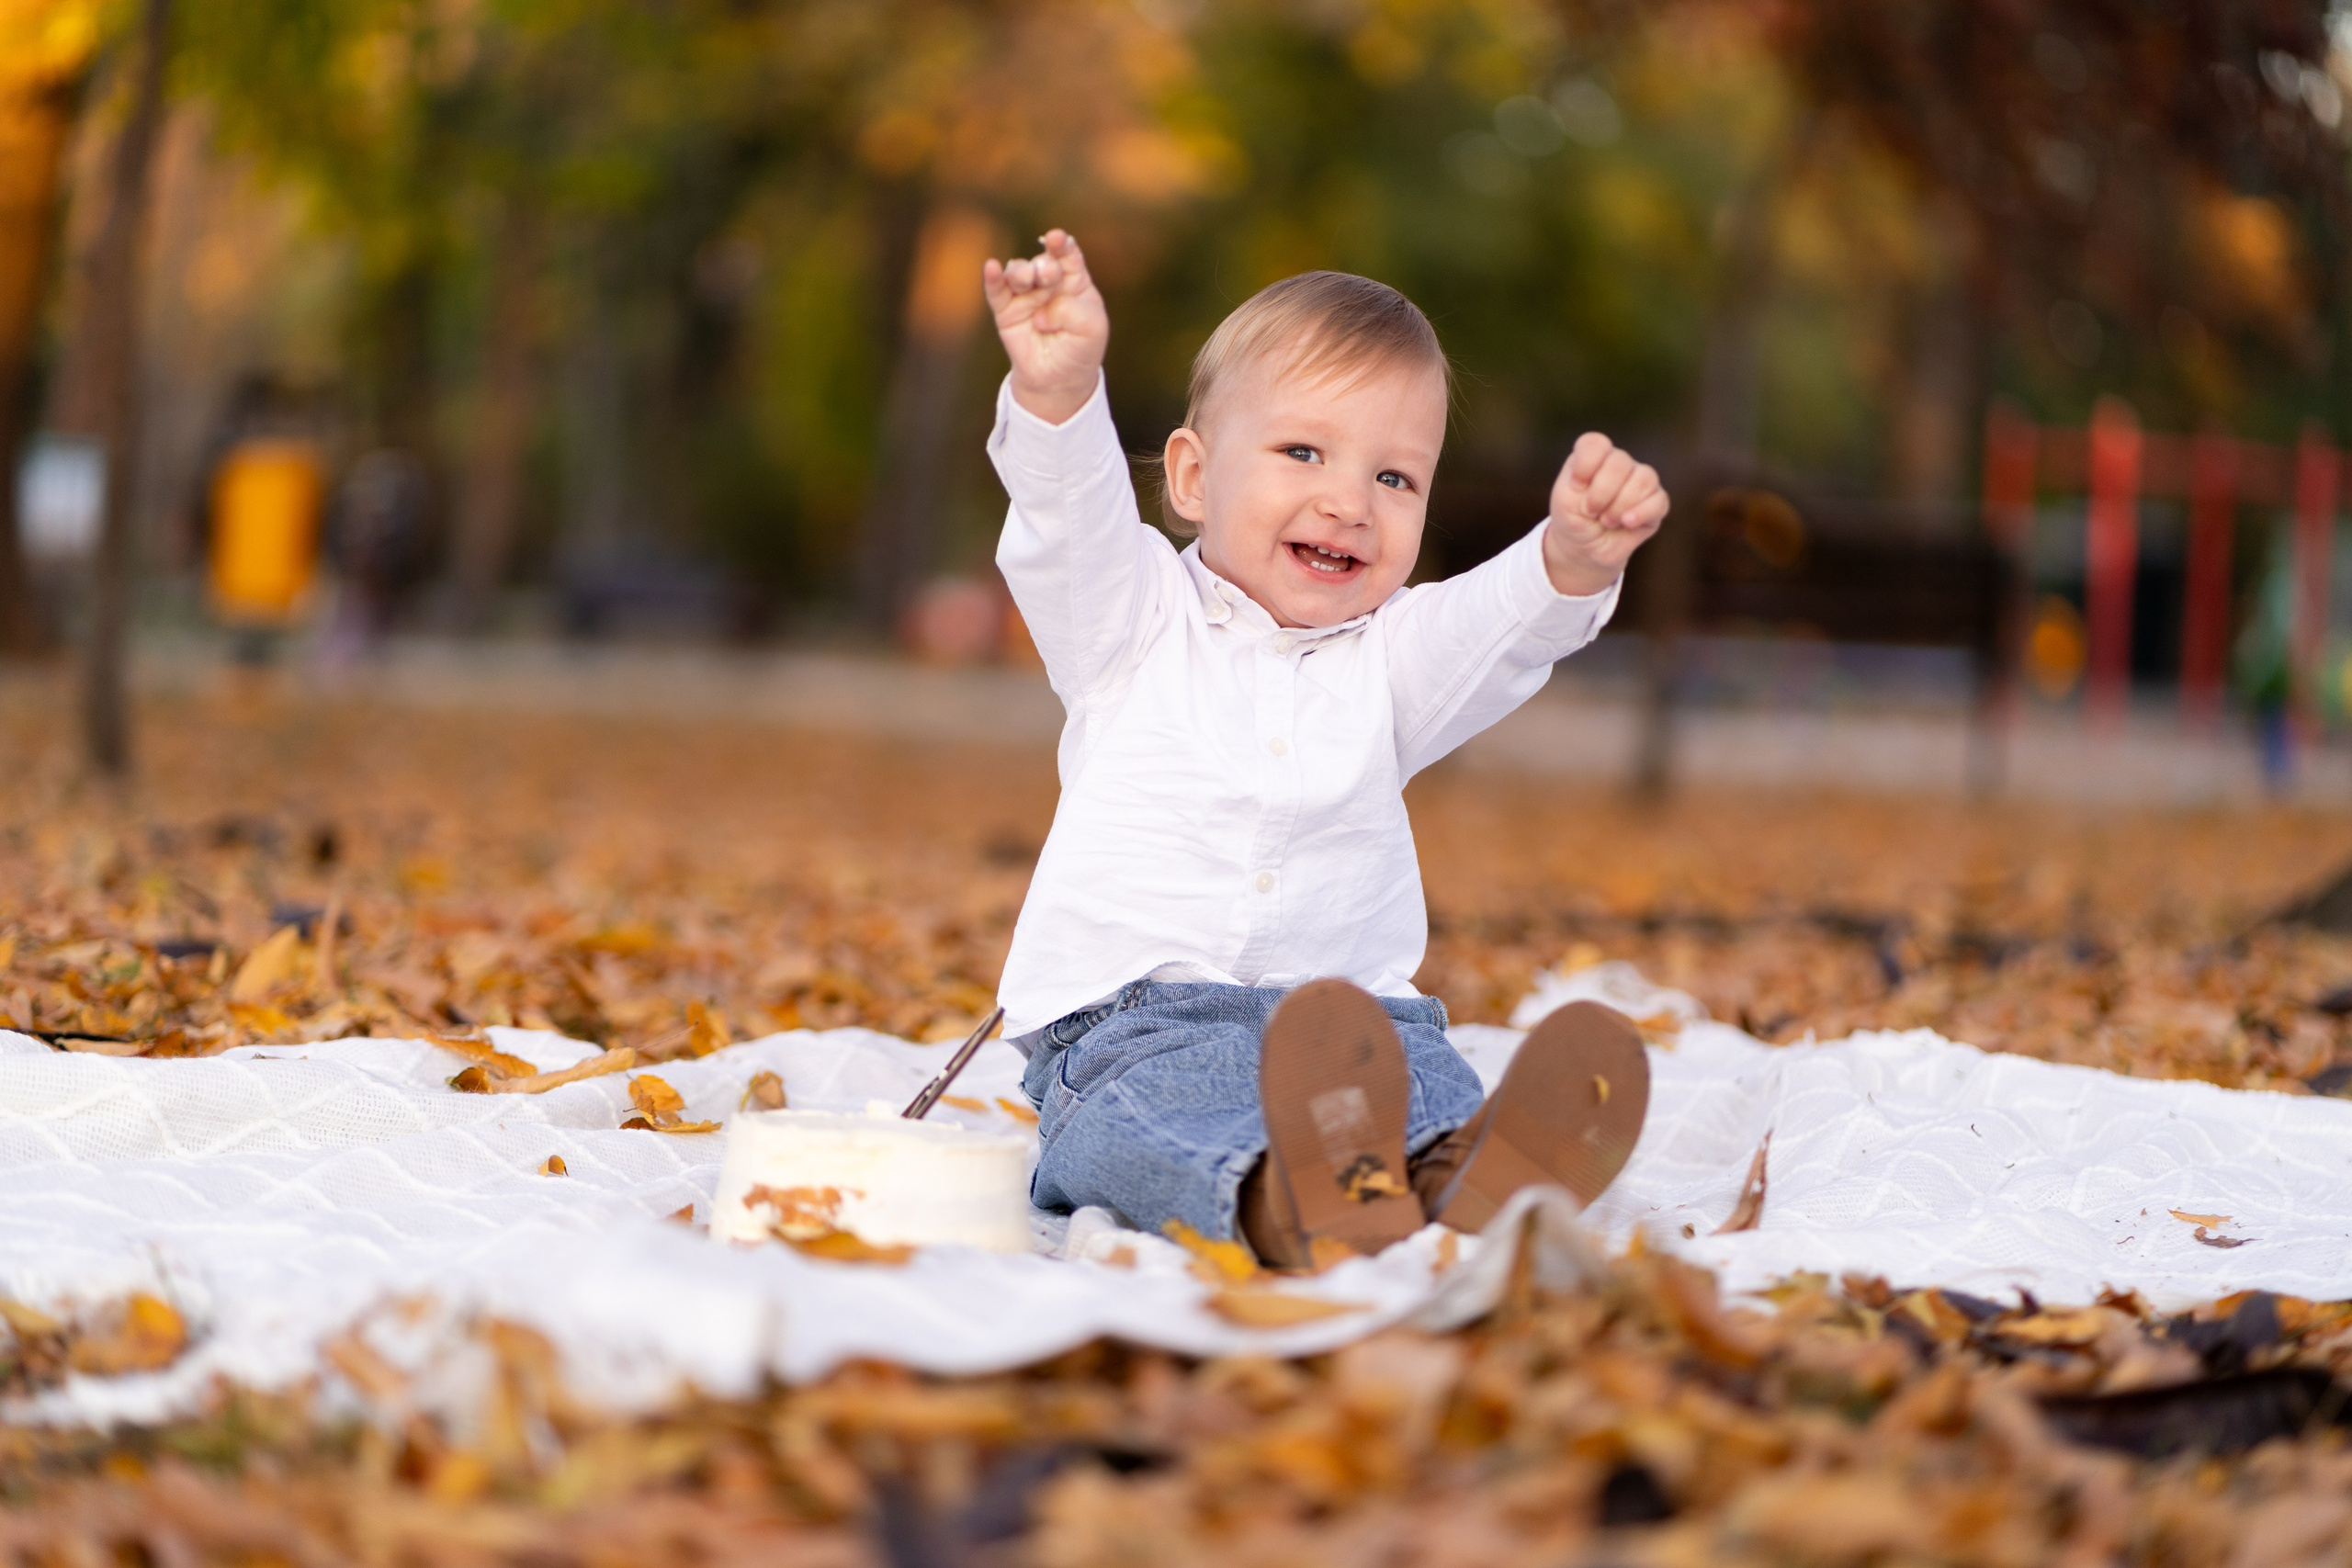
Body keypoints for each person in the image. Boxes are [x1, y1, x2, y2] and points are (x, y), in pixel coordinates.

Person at [988, 231, 1669, 1267]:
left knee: (1422, 1073)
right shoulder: (1127, 618)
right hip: (1141, 1023)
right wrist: (1058, 395)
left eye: (1395, 477)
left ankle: (1459, 1180)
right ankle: (1282, 1206)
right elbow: (1064, 520)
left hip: (1356, 1030)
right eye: (1303, 453)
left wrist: (1567, 557)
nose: (1350, 501)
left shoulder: (1391, 660)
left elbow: (1497, 624)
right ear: (1191, 476)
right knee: (1143, 1121)